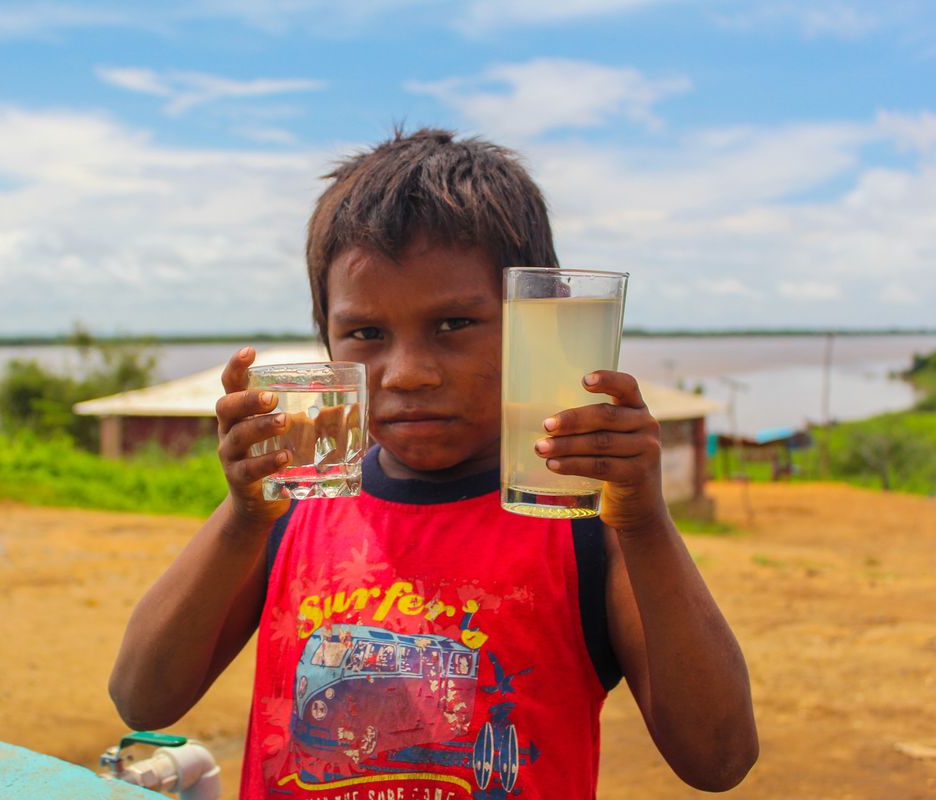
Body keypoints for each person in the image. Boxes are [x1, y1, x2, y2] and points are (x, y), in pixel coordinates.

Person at [110, 128, 758, 798]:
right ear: (325, 338)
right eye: (366, 333)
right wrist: (244, 517)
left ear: (533, 321)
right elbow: (143, 697)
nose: (409, 373)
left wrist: (647, 523)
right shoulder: (293, 507)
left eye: (453, 325)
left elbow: (718, 758)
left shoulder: (581, 516)